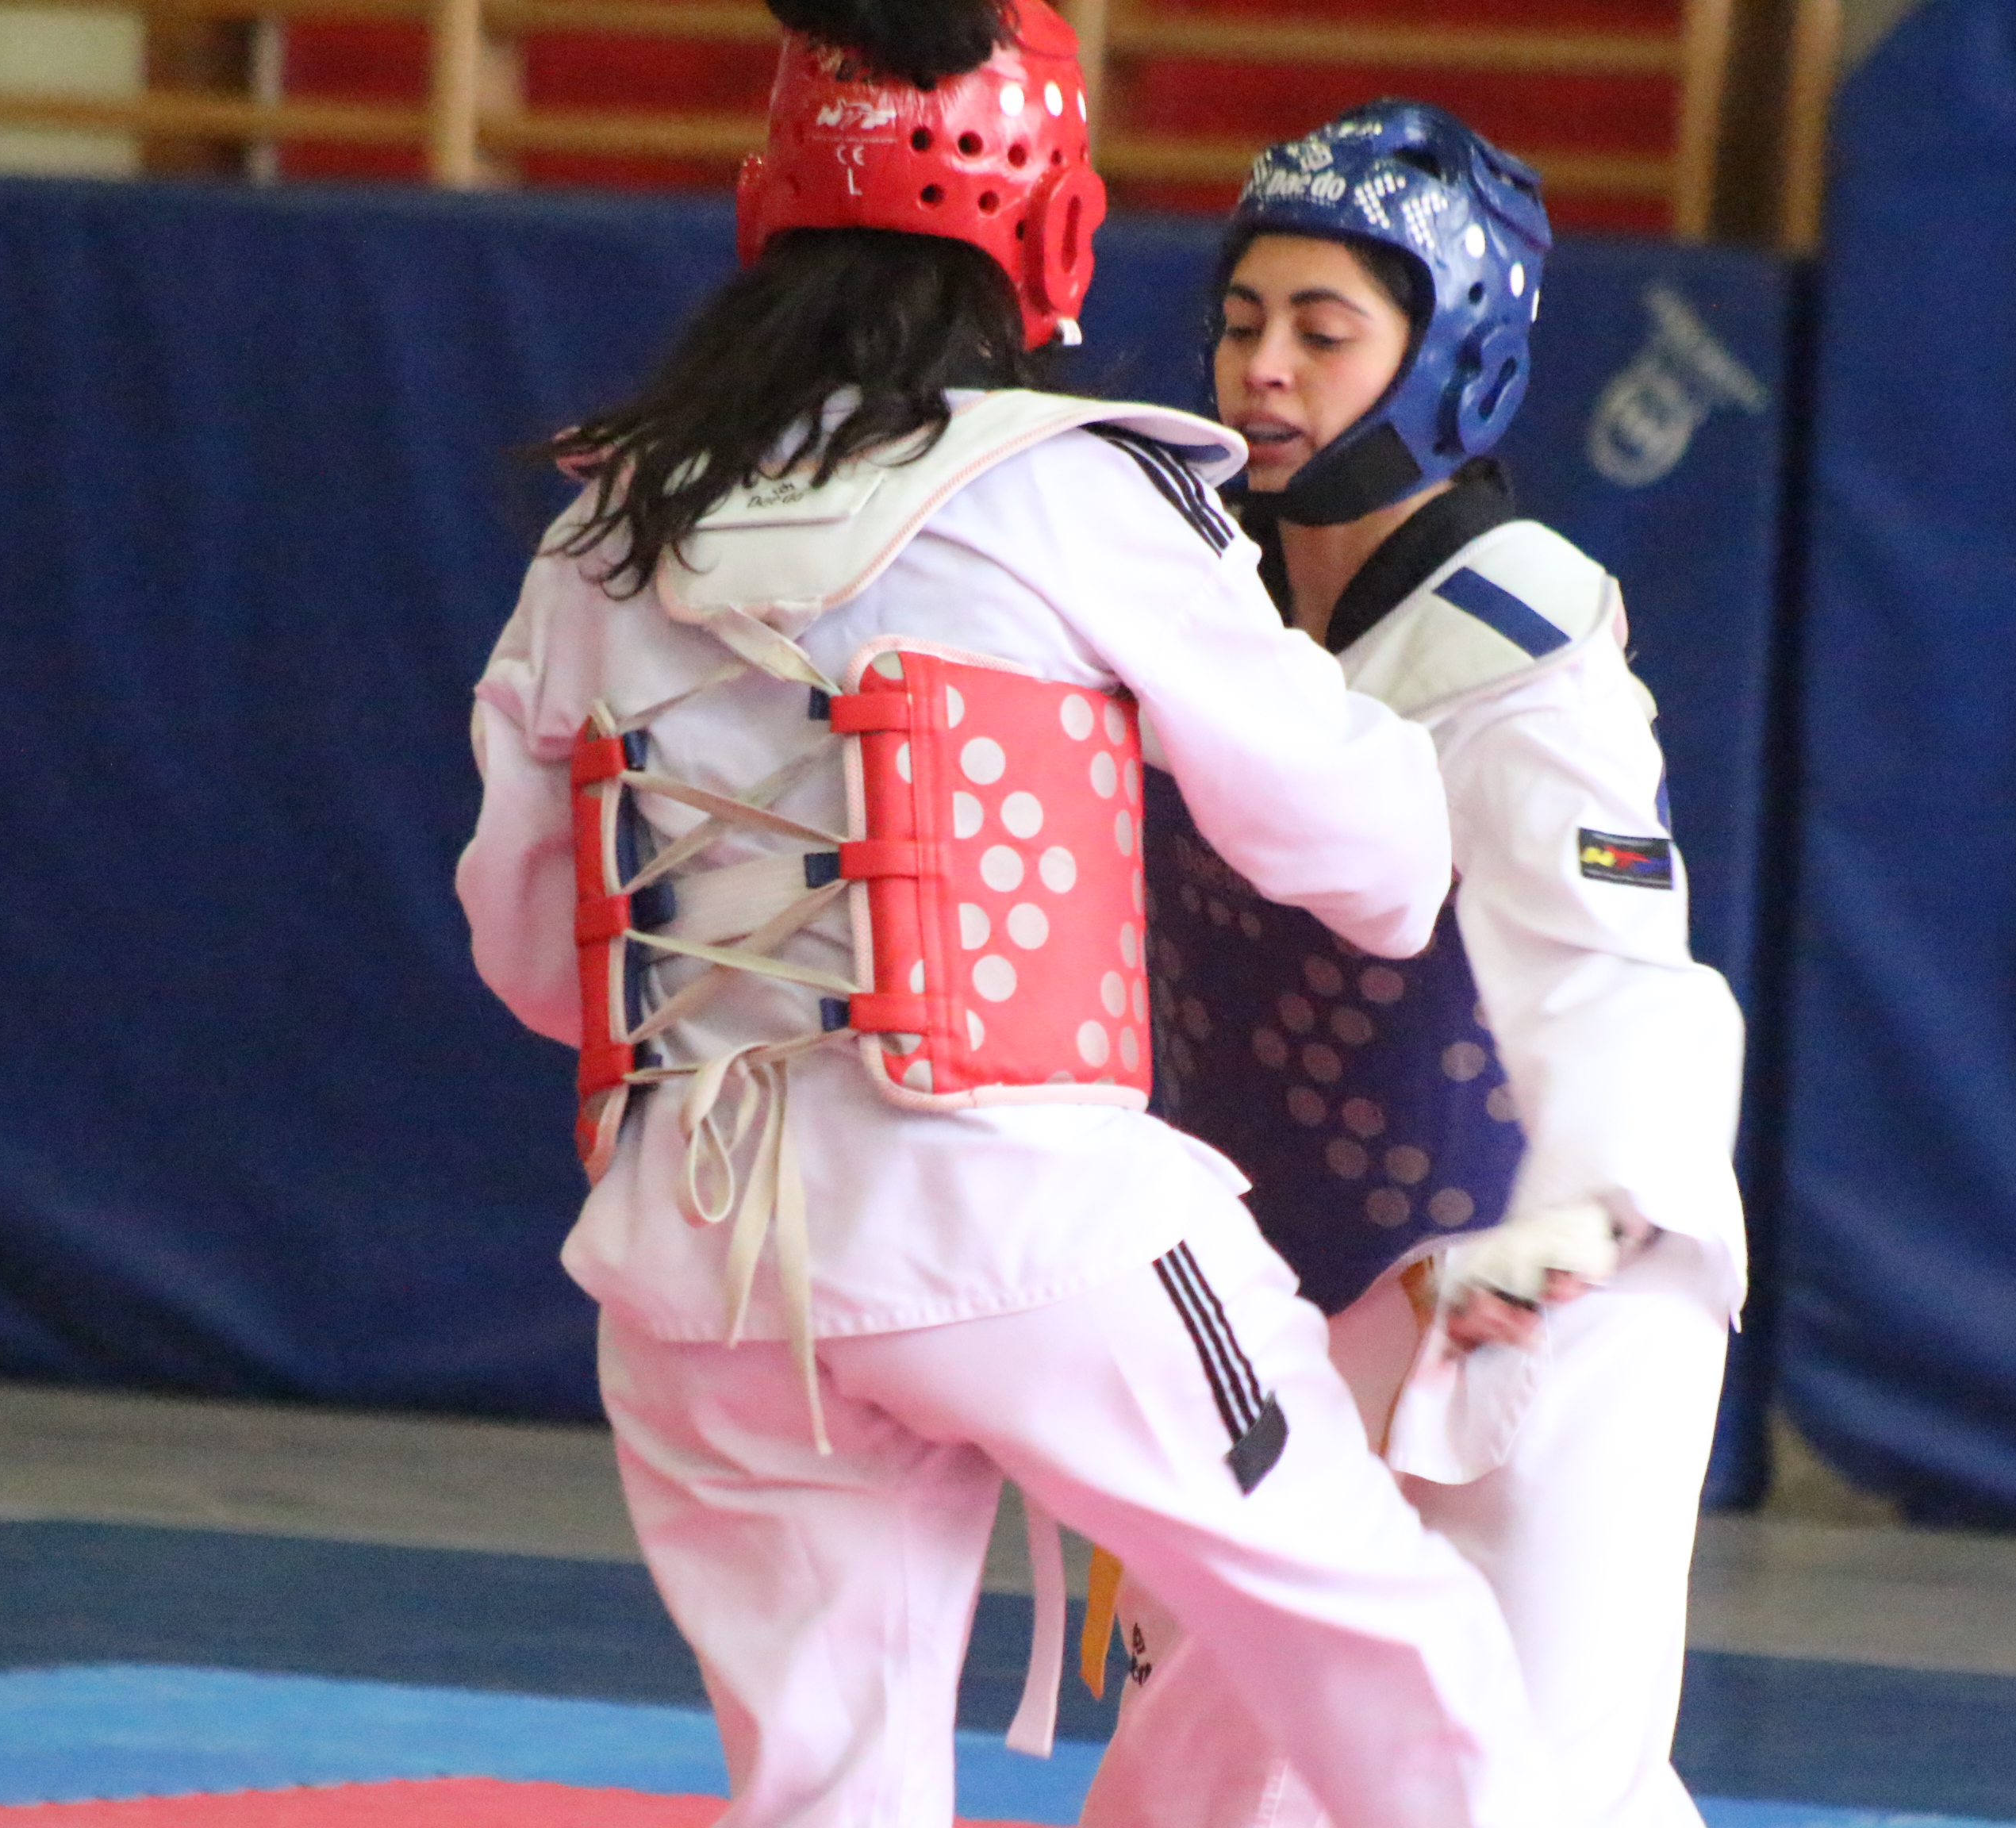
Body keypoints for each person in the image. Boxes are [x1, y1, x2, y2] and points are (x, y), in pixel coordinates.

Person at [454, 11, 1563, 1828]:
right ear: (1051, 230)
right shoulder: (1068, 486)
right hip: (1028, 1218)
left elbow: (528, 947)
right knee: (1397, 1662)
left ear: (766, 208)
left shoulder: (605, 529)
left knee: (829, 1790)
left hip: (701, 1259)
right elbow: (1367, 858)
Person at [1078, 102, 1749, 1828]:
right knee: (1197, 1777)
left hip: (1553, 1284)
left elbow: (1621, 973)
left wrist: (1583, 1220)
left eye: (1325, 332)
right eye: (1244, 321)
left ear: (1450, 362)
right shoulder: (1197, 594)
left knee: (1535, 1788)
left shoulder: (1519, 644)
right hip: (1289, 1278)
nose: (1264, 371)